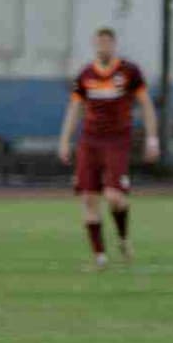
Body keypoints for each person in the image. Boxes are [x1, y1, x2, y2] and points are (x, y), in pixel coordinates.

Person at [58, 27, 160, 269]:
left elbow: (146, 104)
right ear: (94, 44)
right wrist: (64, 140)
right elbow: (74, 109)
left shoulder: (128, 72)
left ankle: (123, 238)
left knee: (115, 197)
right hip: (89, 142)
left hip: (116, 141)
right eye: (99, 42)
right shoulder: (85, 75)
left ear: (114, 44)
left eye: (107, 42)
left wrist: (152, 138)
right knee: (88, 198)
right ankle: (100, 257)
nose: (103, 46)